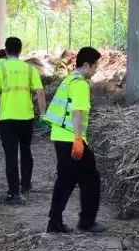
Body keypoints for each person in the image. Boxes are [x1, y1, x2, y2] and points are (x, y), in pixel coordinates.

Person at [44, 46, 105, 234]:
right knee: (91, 179)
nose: (95, 71)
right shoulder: (80, 84)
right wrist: (78, 140)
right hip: (72, 138)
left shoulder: (69, 80)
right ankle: (87, 221)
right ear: (86, 65)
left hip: (60, 137)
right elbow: (76, 112)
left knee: (66, 179)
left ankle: (54, 222)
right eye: (95, 67)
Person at [0, 37, 45, 202]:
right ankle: (25, 185)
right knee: (26, 150)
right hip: (26, 117)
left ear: (6, 49)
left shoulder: (0, 68)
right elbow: (39, 92)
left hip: (6, 118)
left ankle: (13, 193)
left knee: (10, 154)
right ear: (20, 50)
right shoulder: (30, 69)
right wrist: (43, 114)